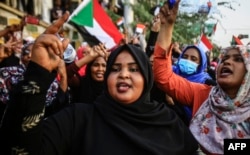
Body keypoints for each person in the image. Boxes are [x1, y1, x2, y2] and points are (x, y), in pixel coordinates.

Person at [0, 11, 198, 155]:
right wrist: (38, 73)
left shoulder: (171, 126)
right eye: (115, 69)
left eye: (134, 69)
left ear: (147, 78)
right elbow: (21, 148)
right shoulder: (78, 119)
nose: (124, 75)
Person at [153, 1, 250, 154]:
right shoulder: (203, 94)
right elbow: (163, 77)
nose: (228, 62)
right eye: (224, 59)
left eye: (238, 59)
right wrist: (167, 27)